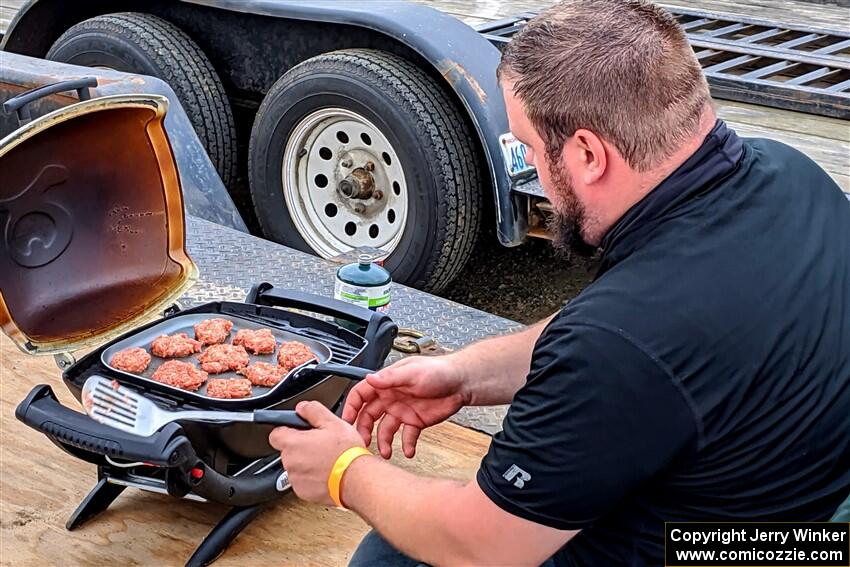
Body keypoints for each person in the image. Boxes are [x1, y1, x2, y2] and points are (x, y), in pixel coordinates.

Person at [268, 0, 850, 564]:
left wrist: (346, 472)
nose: (532, 173)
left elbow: (482, 547)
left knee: (393, 557)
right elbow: (621, 339)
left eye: (527, 148)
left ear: (589, 154)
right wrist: (464, 375)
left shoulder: (620, 343)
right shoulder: (790, 173)